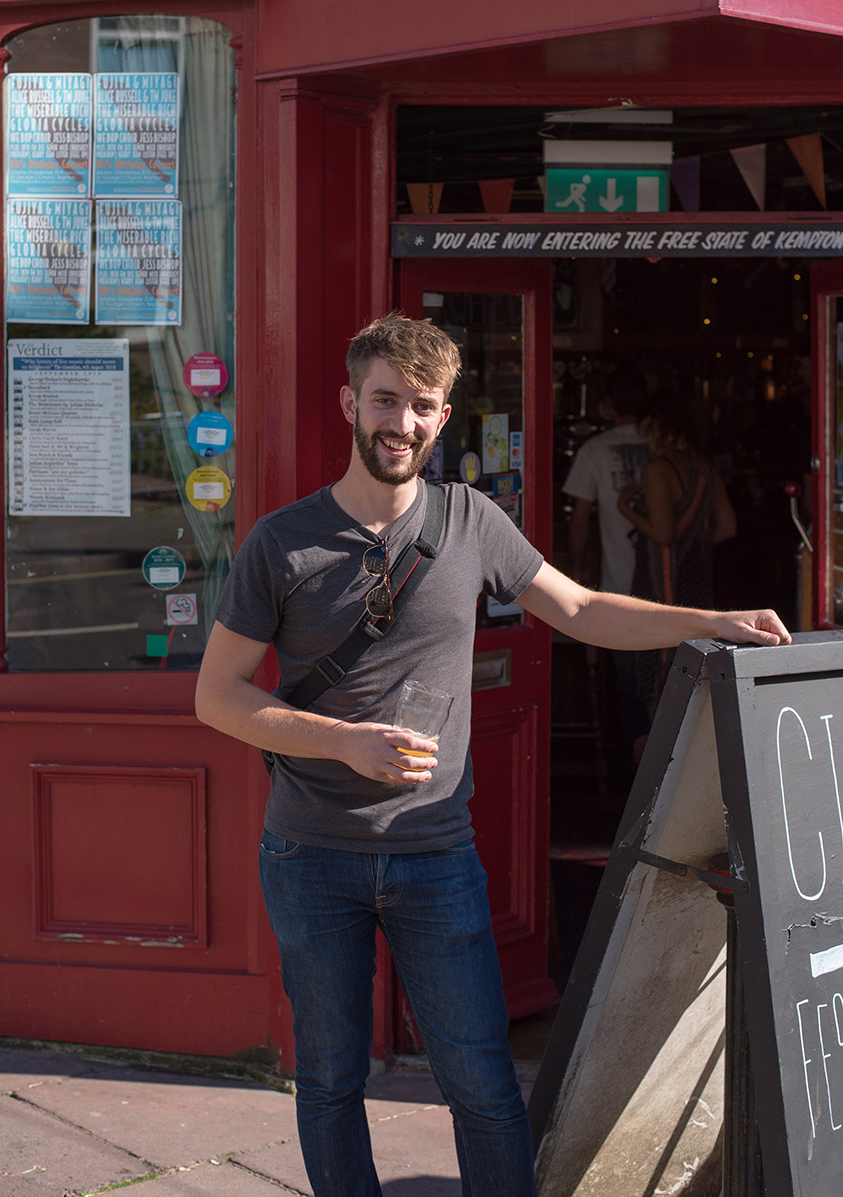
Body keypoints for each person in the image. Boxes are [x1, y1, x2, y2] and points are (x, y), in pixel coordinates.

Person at [195, 313, 789, 1197]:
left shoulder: (471, 519)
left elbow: (583, 610)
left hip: (435, 854)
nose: (400, 422)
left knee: (480, 1088)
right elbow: (218, 697)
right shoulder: (281, 543)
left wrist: (708, 621)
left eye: (422, 406)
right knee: (328, 1082)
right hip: (312, 853)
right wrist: (343, 743)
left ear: (441, 421)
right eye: (386, 399)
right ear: (350, 402)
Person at [617, 399, 737, 741]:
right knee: (695, 653)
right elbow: (728, 526)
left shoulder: (659, 468)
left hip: (662, 581)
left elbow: (664, 535)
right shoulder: (705, 468)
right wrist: (695, 545)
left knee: (660, 659)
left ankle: (659, 755)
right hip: (698, 578)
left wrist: (624, 507)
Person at [562, 364, 650, 761]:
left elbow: (579, 518)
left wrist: (578, 566)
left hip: (621, 586)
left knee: (630, 687)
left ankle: (636, 780)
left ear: (609, 406)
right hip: (671, 584)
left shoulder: (594, 450)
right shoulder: (666, 446)